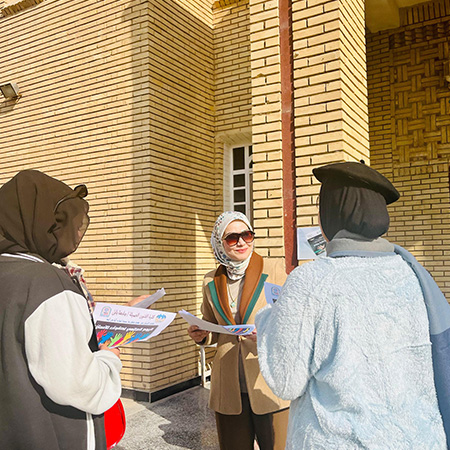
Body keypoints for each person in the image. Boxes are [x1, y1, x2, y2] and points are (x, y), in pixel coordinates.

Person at [255, 161, 449, 449]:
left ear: (328, 218)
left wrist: (268, 320)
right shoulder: (412, 274)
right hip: (418, 438)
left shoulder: (311, 280)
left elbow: (285, 381)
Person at [0, 170, 122, 450]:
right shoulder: (45, 281)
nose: (75, 233)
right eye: (58, 223)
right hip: (53, 433)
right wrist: (109, 360)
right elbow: (76, 382)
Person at [187, 211, 289, 450]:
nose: (242, 241)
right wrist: (202, 335)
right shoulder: (211, 280)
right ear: (219, 243)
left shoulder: (274, 269)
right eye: (232, 238)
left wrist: (265, 332)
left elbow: (289, 319)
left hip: (267, 382)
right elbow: (212, 324)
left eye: (247, 234)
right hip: (228, 386)